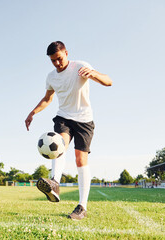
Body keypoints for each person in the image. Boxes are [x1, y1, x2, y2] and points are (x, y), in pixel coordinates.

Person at [25, 41, 112, 220]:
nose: (57, 63)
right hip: (63, 117)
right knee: (59, 143)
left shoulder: (80, 66)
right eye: (52, 61)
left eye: (59, 59)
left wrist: (93, 73)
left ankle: (82, 207)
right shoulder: (51, 77)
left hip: (84, 120)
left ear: (66, 53)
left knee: (80, 160)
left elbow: (108, 82)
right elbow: (47, 99)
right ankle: (54, 182)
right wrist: (33, 112)